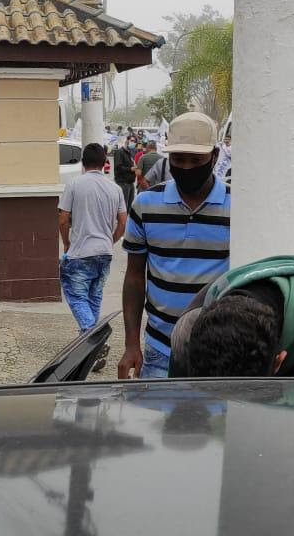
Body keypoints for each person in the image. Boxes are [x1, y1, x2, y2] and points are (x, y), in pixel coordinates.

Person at [119, 113, 231, 379]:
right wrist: (131, 344)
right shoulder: (145, 205)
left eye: (196, 160)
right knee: (158, 421)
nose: (187, 167)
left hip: (220, 348)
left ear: (214, 156)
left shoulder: (237, 207)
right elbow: (135, 277)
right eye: (178, 160)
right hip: (160, 349)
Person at [59, 143, 127, 337]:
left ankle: (92, 335)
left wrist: (66, 242)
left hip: (81, 252)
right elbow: (123, 221)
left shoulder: (74, 184)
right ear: (104, 162)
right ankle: (91, 349)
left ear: (83, 162)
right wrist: (111, 240)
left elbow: (63, 220)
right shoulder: (115, 189)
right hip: (104, 252)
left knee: (76, 294)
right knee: (94, 297)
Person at [111, 135, 136, 209]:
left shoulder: (130, 153)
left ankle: (126, 220)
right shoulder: (119, 152)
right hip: (123, 183)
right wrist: (130, 169)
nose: (133, 143)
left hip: (130, 183)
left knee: (129, 207)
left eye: (134, 142)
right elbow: (118, 168)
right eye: (132, 141)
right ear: (127, 140)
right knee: (123, 207)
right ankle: (121, 220)